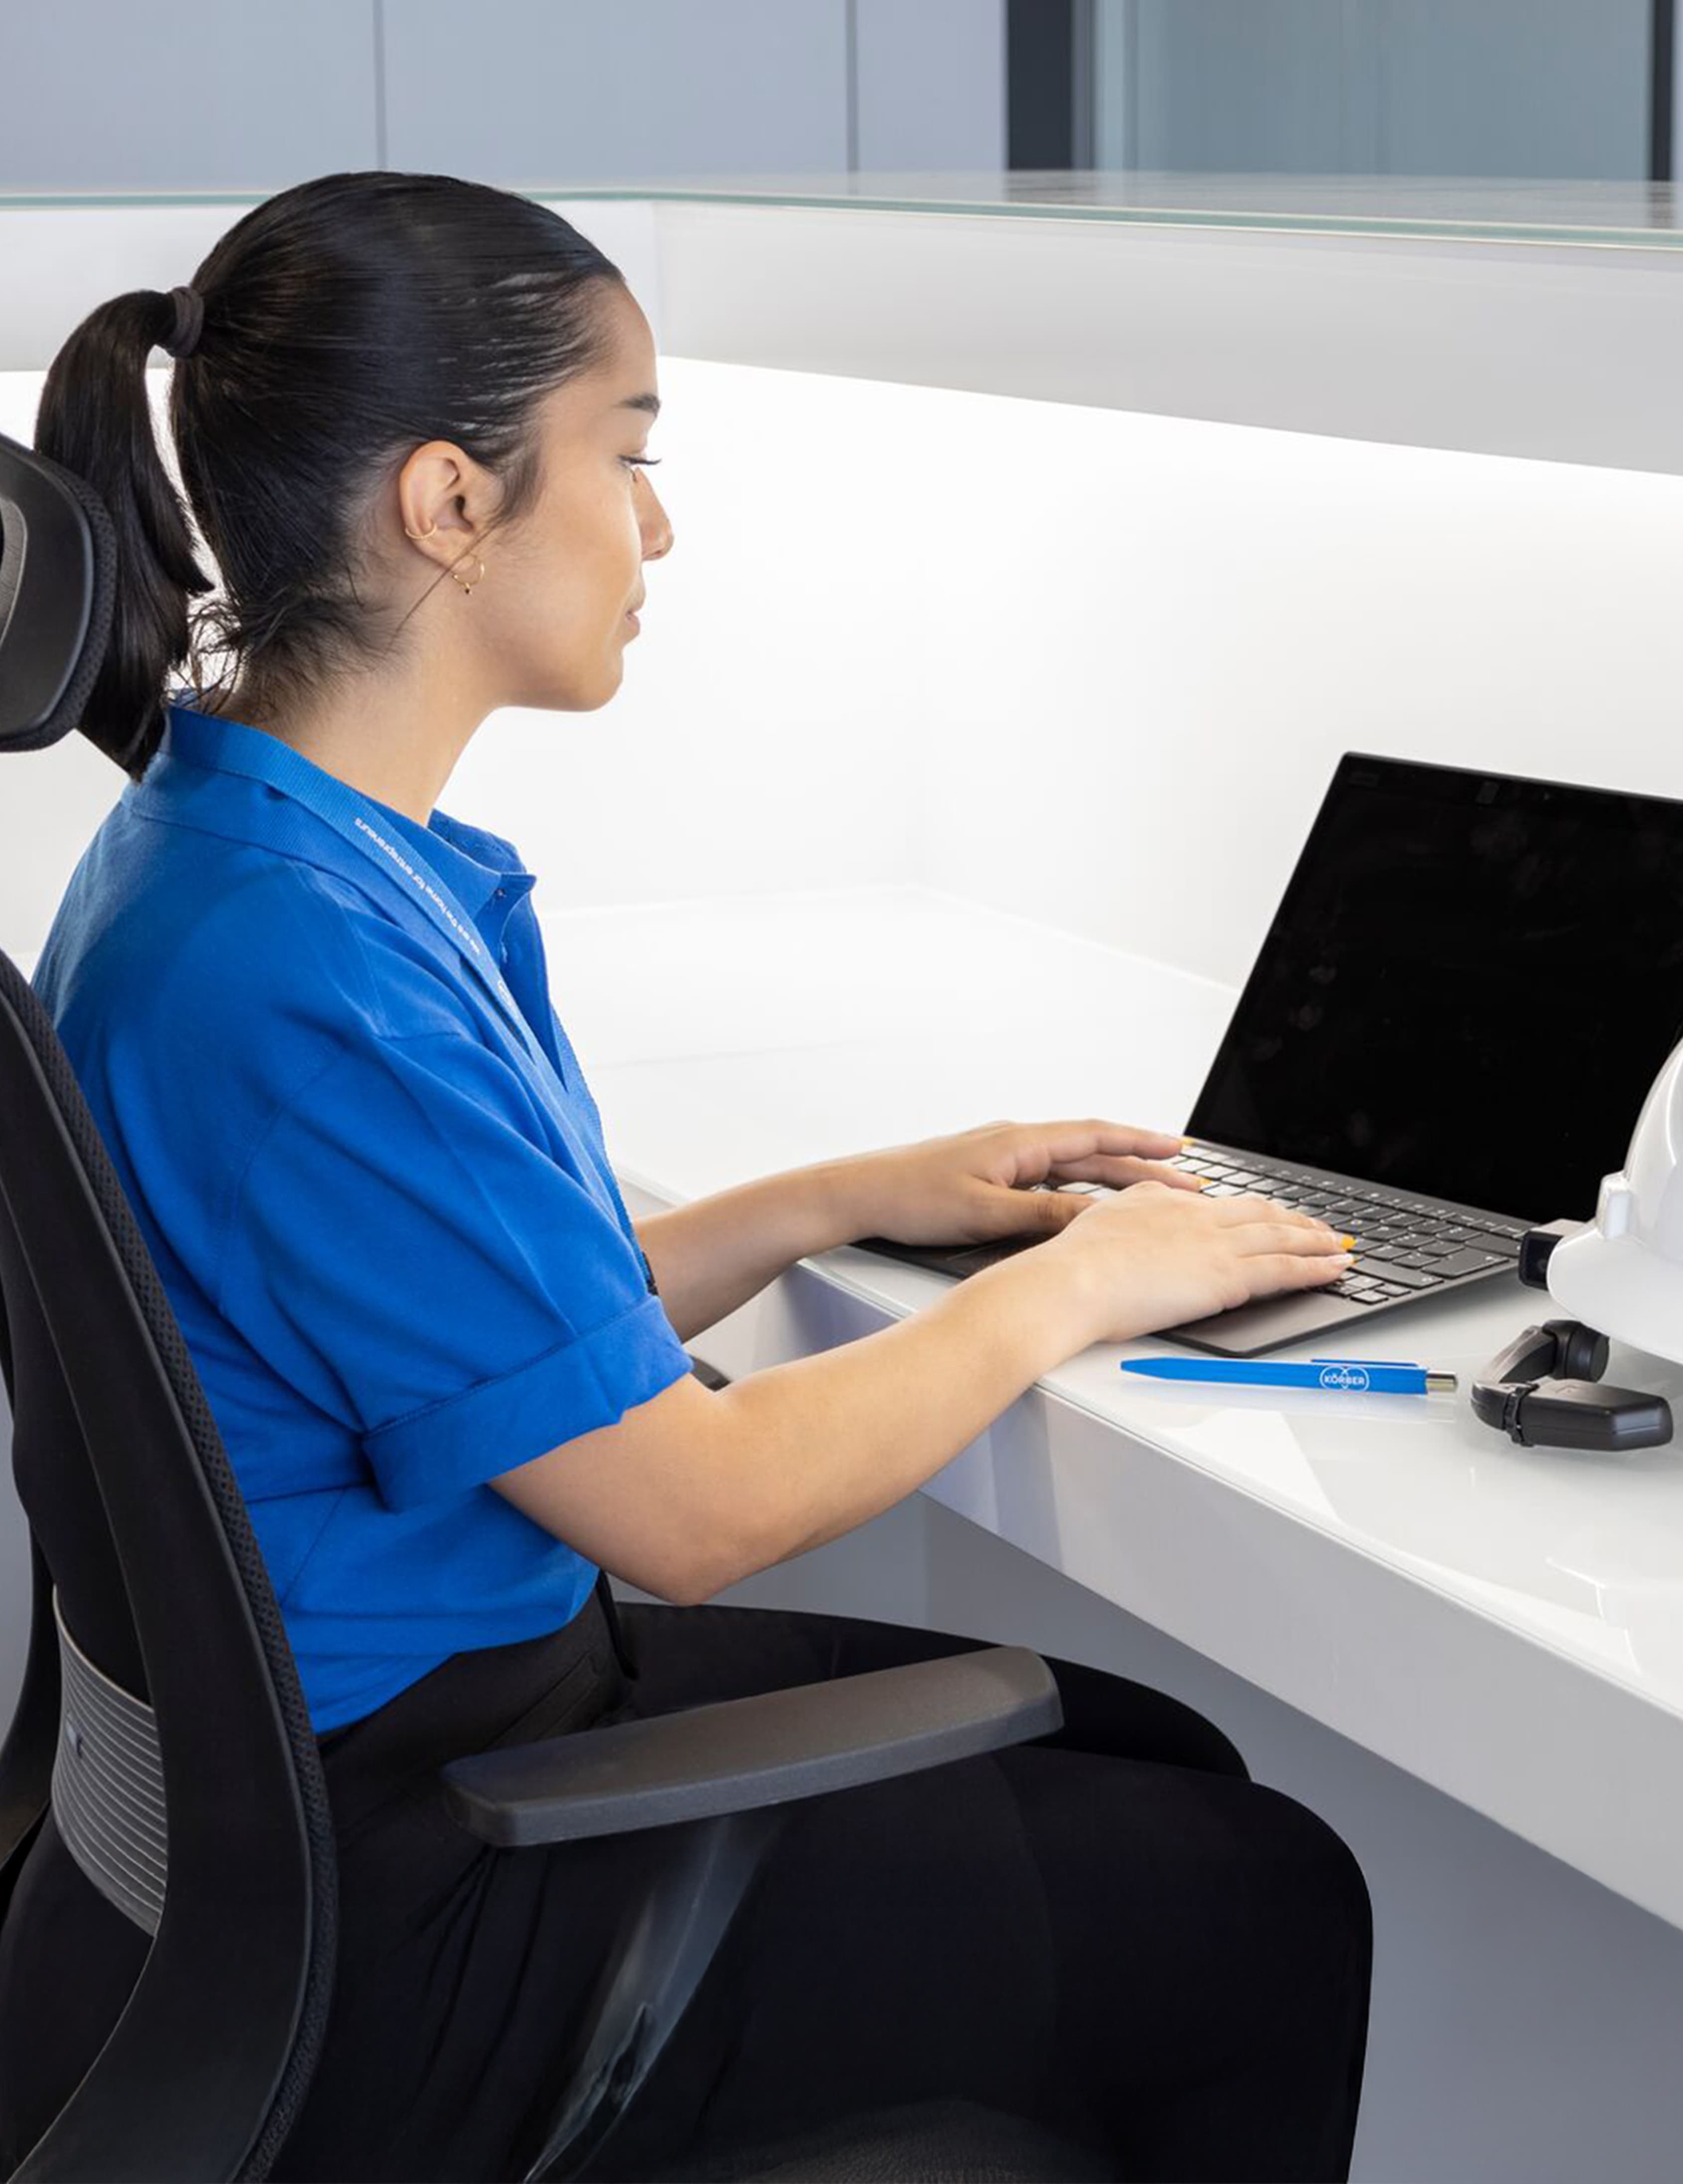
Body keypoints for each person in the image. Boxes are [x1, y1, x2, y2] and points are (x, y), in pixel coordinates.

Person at [0, 171, 1372, 2181]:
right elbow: (693, 1505)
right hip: (414, 1877)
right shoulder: (312, 982)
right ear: (452, 504)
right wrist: (1069, 1287)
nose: (658, 527)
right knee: (1257, 1896)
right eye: (627, 460)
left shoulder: (233, 853)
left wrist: (838, 1198)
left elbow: (479, 1344)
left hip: (309, 1784)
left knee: (1146, 1762)